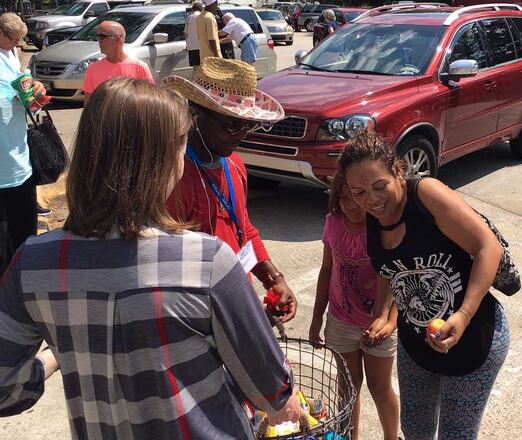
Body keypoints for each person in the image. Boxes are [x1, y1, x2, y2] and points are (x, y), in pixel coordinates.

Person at [0, 77, 301, 438]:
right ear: (164, 157)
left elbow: (6, 390)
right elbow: (273, 392)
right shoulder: (206, 263)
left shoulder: (33, 263)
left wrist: (55, 355)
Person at [339, 133, 510, 439]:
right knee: (415, 430)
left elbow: (489, 247)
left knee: (455, 435)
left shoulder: (424, 194)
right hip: (416, 346)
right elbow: (390, 269)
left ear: (398, 171)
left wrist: (464, 314)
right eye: (359, 192)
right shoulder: (374, 215)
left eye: (380, 186)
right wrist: (382, 315)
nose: (371, 200)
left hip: (473, 338)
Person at [164, 57, 298, 323]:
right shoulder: (174, 179)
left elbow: (243, 228)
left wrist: (273, 277)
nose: (242, 134)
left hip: (234, 298)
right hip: (203, 312)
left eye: (249, 124)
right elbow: (171, 269)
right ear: (196, 115)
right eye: (233, 124)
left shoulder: (233, 164)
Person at [309, 174, 400, 440]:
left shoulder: (383, 228)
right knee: (348, 389)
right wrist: (317, 318)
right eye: (343, 197)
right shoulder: (332, 223)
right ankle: (350, 437)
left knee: (381, 388)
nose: (351, 205)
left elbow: (398, 277)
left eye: (356, 197)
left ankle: (391, 437)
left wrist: (391, 322)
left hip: (379, 325)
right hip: (340, 321)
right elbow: (327, 271)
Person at [0, 12, 47, 274]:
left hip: (20, 162)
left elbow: (25, 95)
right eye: (13, 39)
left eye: (20, 39)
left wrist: (34, 90)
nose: (18, 44)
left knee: (24, 242)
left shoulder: (10, 55)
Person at [82, 21, 153, 98]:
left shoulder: (139, 67)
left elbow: (149, 99)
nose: (99, 40)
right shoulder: (93, 69)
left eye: (102, 36)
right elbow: (88, 102)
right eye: (97, 37)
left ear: (118, 38)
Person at [184, 1, 204, 67]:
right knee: (203, 68)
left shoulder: (189, 18)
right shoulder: (203, 16)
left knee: (195, 68)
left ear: (193, 9)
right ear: (201, 9)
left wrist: (187, 44)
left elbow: (185, 33)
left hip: (192, 46)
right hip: (202, 46)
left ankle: (194, 78)